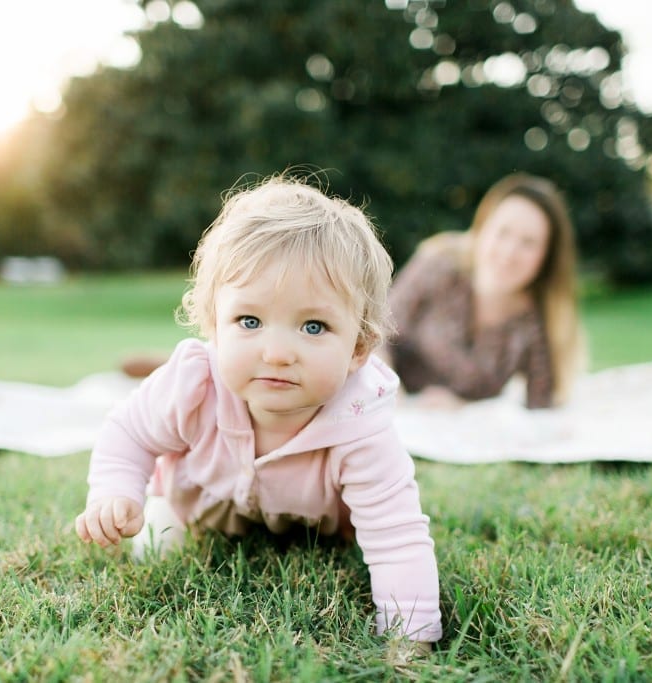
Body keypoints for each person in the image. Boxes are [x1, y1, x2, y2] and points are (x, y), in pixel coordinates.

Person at [75, 174, 443, 646]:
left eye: (313, 326)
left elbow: (397, 538)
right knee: (154, 547)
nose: (277, 353)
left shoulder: (361, 425)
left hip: (317, 528)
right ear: (213, 324)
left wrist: (409, 640)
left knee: (348, 549)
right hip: (199, 507)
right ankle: (163, 513)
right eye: (249, 321)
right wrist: (115, 491)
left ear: (360, 348)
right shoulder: (193, 382)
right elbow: (130, 433)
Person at [383, 173, 585, 410]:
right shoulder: (439, 264)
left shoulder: (538, 320)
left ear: (546, 258)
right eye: (503, 232)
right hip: (388, 408)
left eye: (528, 242)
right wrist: (393, 394)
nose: (510, 252)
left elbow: (543, 409)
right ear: (483, 227)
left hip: (459, 435)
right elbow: (375, 332)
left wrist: (461, 410)